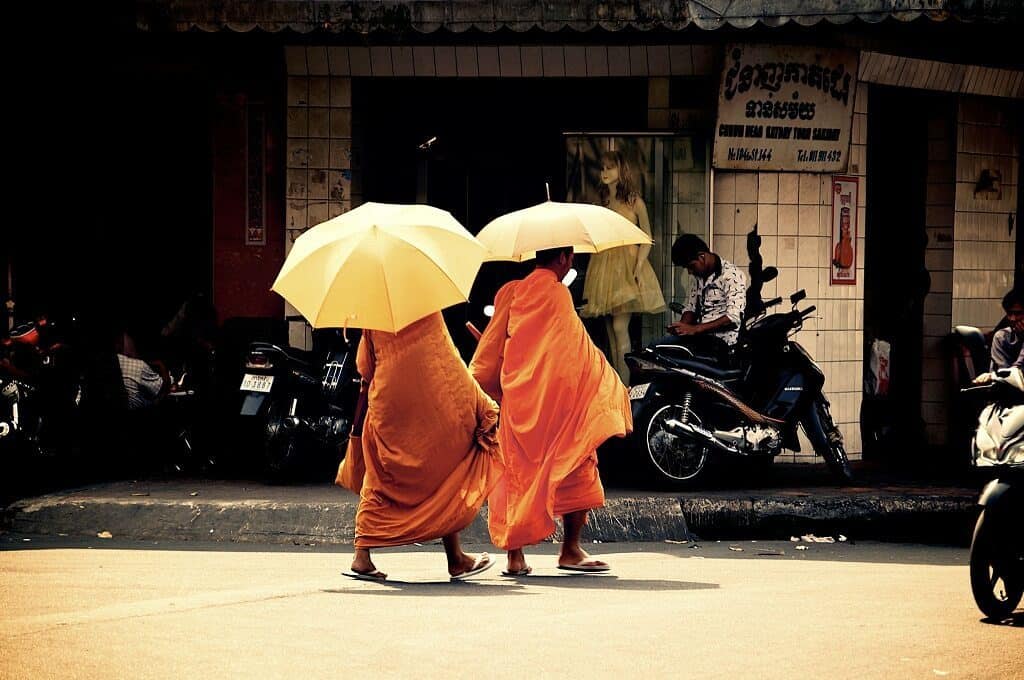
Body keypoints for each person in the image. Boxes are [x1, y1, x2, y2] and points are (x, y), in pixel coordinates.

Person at [471, 246, 632, 576]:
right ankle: (570, 550)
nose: (571, 262)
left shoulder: (509, 293)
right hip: (562, 406)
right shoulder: (559, 294)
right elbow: (578, 350)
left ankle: (515, 558)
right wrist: (604, 382)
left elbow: (489, 353)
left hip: (520, 403)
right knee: (577, 465)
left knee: (516, 476)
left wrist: (485, 390)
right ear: (562, 258)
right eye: (570, 257)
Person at [335, 311, 502, 581]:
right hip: (430, 403)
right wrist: (482, 404)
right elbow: (448, 361)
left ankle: (362, 555)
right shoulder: (427, 309)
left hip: (389, 405)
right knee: (446, 469)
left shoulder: (374, 314)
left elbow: (365, 368)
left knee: (381, 477)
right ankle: (455, 558)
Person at [581, 150, 666, 382]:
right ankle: (617, 383)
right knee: (610, 332)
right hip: (604, 265)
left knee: (620, 328)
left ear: (621, 170)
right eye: (603, 168)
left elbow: (646, 237)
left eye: (610, 167)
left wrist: (638, 267)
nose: (605, 172)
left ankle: (626, 386)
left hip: (626, 267)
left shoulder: (634, 201)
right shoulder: (601, 201)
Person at [651, 234, 747, 361]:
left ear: (702, 257)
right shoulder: (698, 277)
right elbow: (690, 307)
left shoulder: (733, 275)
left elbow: (733, 317)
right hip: (700, 339)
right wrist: (682, 326)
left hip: (722, 345)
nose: (690, 272)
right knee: (654, 350)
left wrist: (695, 329)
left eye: (691, 266)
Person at [973, 288, 1024, 384]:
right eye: (1009, 314)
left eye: (1018, 313)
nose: (1013, 319)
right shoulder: (1002, 337)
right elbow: (1005, 374)